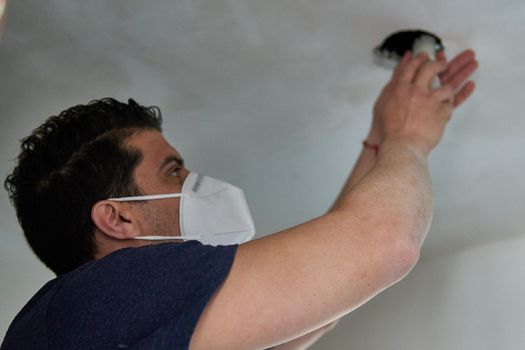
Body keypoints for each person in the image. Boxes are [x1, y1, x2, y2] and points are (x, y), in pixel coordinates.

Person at [1, 49, 478, 350]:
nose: (195, 181)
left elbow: (316, 311)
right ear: (117, 217)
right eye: (173, 170)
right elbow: (383, 242)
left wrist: (379, 139)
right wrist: (409, 138)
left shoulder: (117, 322)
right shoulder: (98, 297)